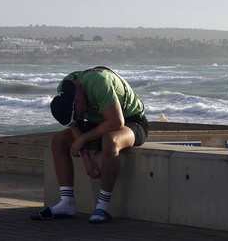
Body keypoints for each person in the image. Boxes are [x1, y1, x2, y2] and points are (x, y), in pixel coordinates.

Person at [31, 66, 148, 224]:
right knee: (58, 141)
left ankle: (103, 206)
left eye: (78, 114)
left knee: (110, 140)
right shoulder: (65, 87)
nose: (79, 117)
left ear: (78, 101)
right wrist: (85, 155)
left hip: (131, 122)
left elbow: (116, 122)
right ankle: (67, 203)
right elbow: (75, 126)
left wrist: (83, 139)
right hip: (99, 123)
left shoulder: (98, 83)